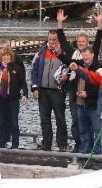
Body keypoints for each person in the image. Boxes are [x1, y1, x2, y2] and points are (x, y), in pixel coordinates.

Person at [56, 9, 102, 152]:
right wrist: (59, 23)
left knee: (95, 127)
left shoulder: (94, 63)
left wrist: (99, 23)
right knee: (78, 123)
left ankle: (96, 153)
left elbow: (99, 40)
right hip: (76, 94)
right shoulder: (75, 57)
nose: (81, 43)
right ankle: (81, 148)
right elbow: (63, 45)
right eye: (79, 41)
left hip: (91, 99)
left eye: (84, 42)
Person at [31, 30, 68, 152]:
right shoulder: (41, 52)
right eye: (50, 39)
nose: (52, 42)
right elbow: (34, 71)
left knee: (60, 118)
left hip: (58, 91)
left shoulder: (64, 52)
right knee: (44, 119)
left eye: (54, 40)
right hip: (43, 91)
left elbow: (71, 70)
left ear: (59, 40)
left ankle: (62, 144)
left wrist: (66, 79)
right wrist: (35, 87)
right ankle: (46, 144)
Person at [0, 39, 26, 143]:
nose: (3, 51)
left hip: (12, 95)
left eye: (5, 49)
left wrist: (22, 92)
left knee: (12, 120)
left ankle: (11, 141)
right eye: (0, 49)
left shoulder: (16, 60)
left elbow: (22, 78)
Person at [67, 49, 101, 154]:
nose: (85, 57)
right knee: (83, 130)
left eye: (87, 55)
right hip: (81, 103)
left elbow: (96, 86)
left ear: (92, 55)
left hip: (94, 105)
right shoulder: (81, 65)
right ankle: (84, 152)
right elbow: (88, 76)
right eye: (83, 55)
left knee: (97, 131)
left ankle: (97, 154)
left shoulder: (98, 68)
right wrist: (77, 69)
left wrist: (88, 94)